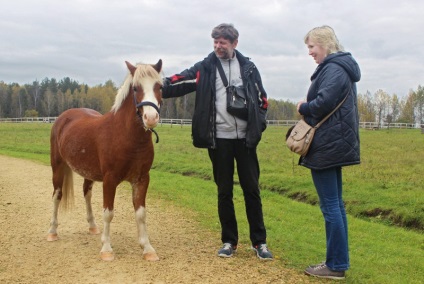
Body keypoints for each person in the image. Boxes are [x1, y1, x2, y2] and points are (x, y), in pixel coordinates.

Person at [162, 23, 273, 260]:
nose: (217, 46)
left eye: (222, 42)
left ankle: (260, 242)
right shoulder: (206, 67)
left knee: (251, 190)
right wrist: (158, 83)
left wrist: (258, 126)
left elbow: (263, 100)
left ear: (234, 43)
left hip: (245, 141)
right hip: (219, 140)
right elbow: (182, 78)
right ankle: (229, 241)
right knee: (224, 191)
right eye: (215, 41)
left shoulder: (249, 68)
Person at [296, 26, 361, 279]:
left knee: (331, 206)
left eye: (312, 46)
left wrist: (304, 106)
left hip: (327, 145)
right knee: (336, 205)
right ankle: (338, 261)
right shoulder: (341, 67)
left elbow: (323, 104)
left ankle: (335, 265)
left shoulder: (333, 68)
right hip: (336, 142)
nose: (310, 52)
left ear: (325, 43)